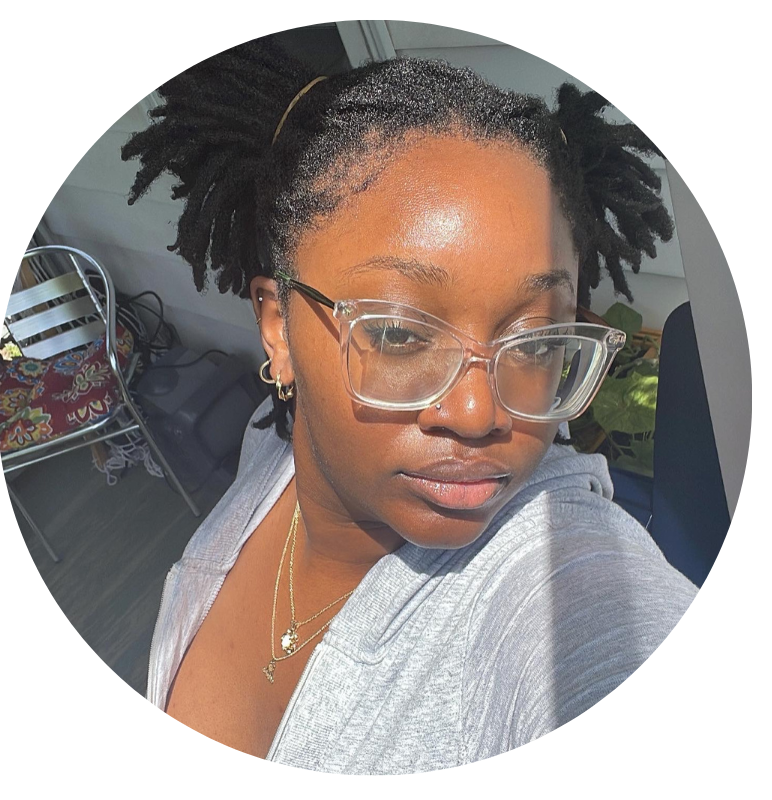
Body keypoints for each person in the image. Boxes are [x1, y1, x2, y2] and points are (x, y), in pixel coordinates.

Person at [122, 35, 697, 774]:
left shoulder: (559, 580)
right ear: (279, 329)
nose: (480, 414)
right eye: (398, 333)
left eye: (534, 341)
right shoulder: (268, 454)